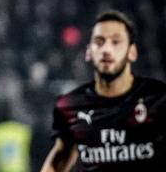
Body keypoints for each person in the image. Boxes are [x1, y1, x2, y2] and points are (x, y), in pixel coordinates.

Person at [40, 10, 166, 171]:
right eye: (99, 42)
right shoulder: (70, 106)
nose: (106, 49)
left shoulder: (158, 98)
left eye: (116, 42)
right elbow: (58, 161)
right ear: (88, 52)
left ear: (132, 52)